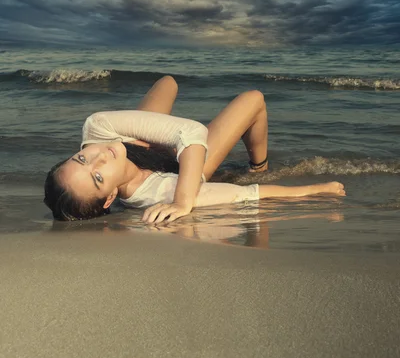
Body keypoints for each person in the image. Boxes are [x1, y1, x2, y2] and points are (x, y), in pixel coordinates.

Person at [44, 76, 345, 222]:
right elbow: (248, 193)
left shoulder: (98, 130)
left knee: (168, 83)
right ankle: (261, 164)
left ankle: (159, 138)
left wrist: (157, 134)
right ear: (110, 196)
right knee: (254, 99)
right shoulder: (160, 195)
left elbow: (184, 126)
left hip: (148, 148)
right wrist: (322, 188)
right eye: (98, 177)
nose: (98, 156)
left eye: (81, 157)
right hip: (186, 168)